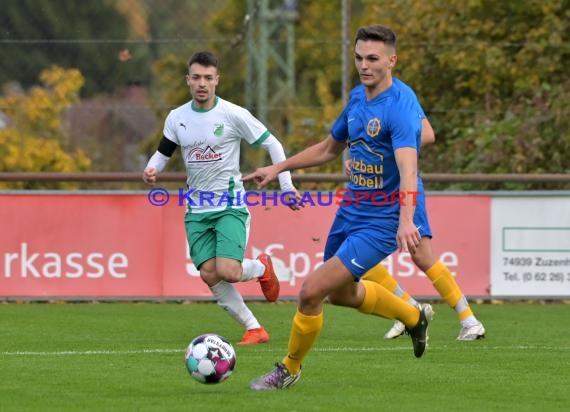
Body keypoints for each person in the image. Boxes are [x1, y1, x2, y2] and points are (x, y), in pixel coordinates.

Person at [244, 24, 434, 390]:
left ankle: (289, 369)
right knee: (341, 294)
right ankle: (412, 316)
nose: (364, 65)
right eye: (359, 58)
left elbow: (409, 170)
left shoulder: (400, 107)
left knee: (310, 291)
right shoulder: (357, 98)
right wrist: (279, 166)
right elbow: (330, 148)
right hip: (351, 209)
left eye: (373, 59)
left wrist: (406, 220)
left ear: (392, 60)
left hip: (382, 219)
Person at [143, 51, 302, 345]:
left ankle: (262, 267)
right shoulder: (177, 117)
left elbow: (273, 144)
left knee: (228, 270)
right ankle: (254, 328)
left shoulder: (232, 114)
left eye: (208, 78)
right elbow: (163, 152)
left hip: (230, 206)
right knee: (208, 273)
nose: (202, 83)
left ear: (217, 80)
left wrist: (287, 186)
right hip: (196, 210)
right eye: (196, 77)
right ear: (188, 80)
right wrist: (152, 168)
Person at [343, 116, 486, 341]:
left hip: (403, 185)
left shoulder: (400, 97)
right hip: (374, 190)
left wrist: (384, 152)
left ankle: (469, 321)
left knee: (422, 254)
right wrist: (356, 162)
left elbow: (427, 134)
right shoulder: (360, 102)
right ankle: (411, 309)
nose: (366, 78)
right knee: (354, 254)